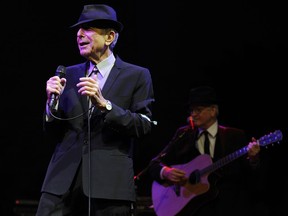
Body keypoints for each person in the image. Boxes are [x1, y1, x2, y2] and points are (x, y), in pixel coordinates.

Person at [36, 4, 155, 216]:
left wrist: (105, 105)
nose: (79, 34)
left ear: (109, 37)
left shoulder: (137, 75)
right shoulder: (69, 75)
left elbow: (144, 125)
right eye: (78, 30)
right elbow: (53, 133)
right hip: (61, 183)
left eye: (88, 28)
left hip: (109, 186)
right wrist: (50, 103)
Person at [148, 86, 265, 216]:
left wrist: (253, 159)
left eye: (198, 110)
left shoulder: (234, 135)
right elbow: (155, 163)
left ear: (213, 111)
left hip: (227, 207)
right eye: (191, 110)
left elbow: (251, 176)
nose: (193, 114)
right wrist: (166, 172)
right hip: (193, 210)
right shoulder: (184, 135)